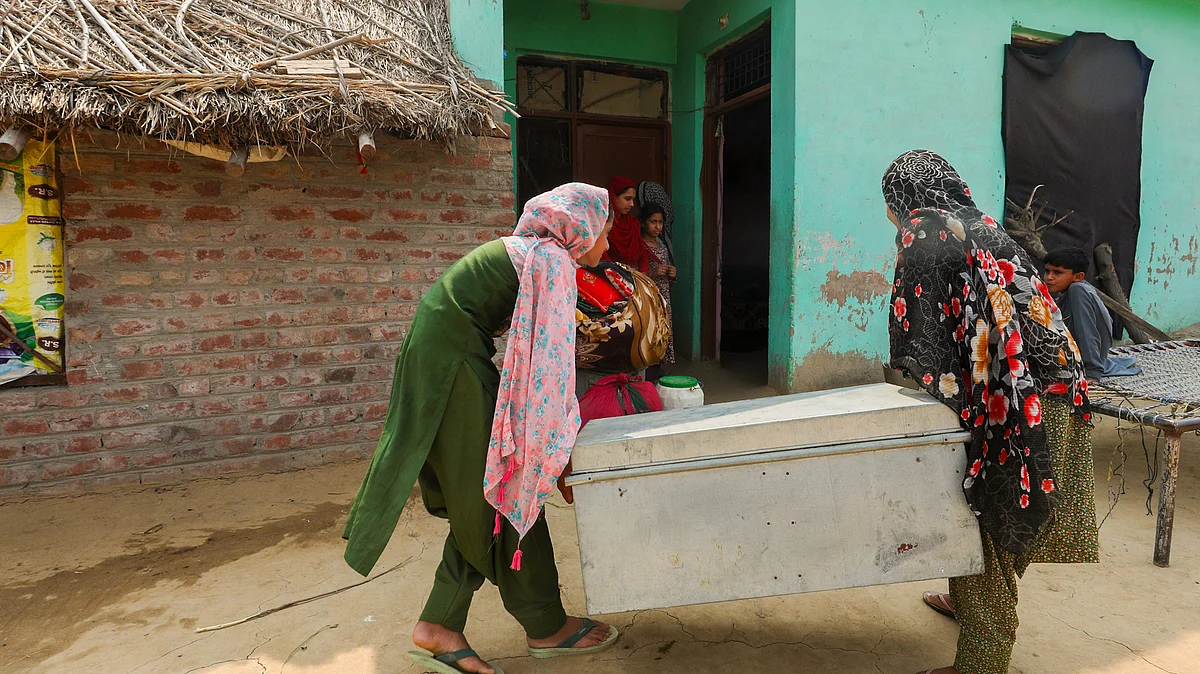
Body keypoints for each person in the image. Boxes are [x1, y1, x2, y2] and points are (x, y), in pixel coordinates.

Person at [342, 183, 620, 674]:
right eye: (605, 233)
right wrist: (558, 449)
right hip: (451, 361)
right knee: (509, 484)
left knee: (488, 490)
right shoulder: (553, 262)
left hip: (444, 350)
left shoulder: (536, 251)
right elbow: (548, 374)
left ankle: (442, 623)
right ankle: (543, 625)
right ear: (583, 226)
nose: (606, 246)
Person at [882, 150, 1099, 674]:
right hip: (1058, 393)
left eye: (890, 205)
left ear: (903, 197)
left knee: (989, 528)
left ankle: (982, 662)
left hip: (1018, 405)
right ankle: (964, 603)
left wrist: (924, 393)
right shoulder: (987, 227)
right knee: (979, 510)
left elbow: (919, 335)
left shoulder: (925, 231)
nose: (892, 217)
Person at [1043, 246, 1140, 380]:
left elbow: (1086, 331)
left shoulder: (1078, 290)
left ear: (1078, 276)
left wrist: (1092, 373)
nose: (1049, 277)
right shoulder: (1063, 294)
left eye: (1057, 273)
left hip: (1089, 362)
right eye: (1047, 271)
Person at [640, 202, 676, 371]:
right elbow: (632, 274)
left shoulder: (663, 247)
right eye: (653, 222)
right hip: (648, 298)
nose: (657, 226)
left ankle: (660, 366)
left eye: (660, 222)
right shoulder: (639, 246)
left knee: (663, 330)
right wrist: (652, 273)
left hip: (664, 298)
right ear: (643, 222)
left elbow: (671, 280)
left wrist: (672, 274)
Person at [603, 176, 650, 273]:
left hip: (635, 280)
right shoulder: (602, 224)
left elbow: (642, 253)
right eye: (627, 199)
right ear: (613, 197)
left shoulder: (633, 224)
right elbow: (603, 258)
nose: (632, 204)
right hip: (611, 278)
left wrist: (641, 276)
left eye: (633, 200)